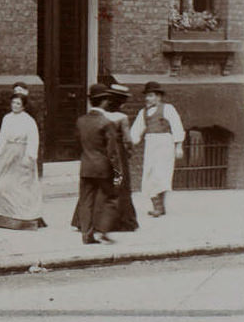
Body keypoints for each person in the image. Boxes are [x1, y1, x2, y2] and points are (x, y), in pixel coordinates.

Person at [74, 83, 123, 245]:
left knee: (86, 201)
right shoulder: (107, 123)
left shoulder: (81, 121)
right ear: (104, 101)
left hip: (86, 166)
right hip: (103, 168)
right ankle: (102, 230)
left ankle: (86, 235)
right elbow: (112, 152)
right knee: (112, 197)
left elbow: (77, 143)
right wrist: (118, 172)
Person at [0, 85, 46, 230]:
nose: (15, 106)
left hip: (22, 154)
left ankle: (24, 218)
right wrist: (0, 152)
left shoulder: (28, 121)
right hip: (7, 154)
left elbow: (33, 139)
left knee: (21, 187)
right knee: (2, 185)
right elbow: (2, 135)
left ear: (23, 107)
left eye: (18, 104)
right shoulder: (7, 118)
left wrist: (30, 156)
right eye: (13, 103)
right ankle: (4, 217)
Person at [129, 81, 186, 217]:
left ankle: (160, 207)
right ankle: (158, 206)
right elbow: (136, 130)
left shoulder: (168, 109)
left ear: (158, 97)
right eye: (147, 96)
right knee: (149, 173)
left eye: (151, 96)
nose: (147, 99)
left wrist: (179, 146)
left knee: (161, 174)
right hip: (151, 143)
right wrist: (130, 144)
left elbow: (177, 126)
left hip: (165, 143)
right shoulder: (143, 112)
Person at [98, 73, 138, 232]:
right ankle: (122, 220)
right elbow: (128, 140)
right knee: (121, 184)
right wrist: (129, 151)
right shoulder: (122, 118)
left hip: (103, 152)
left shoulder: (103, 115)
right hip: (118, 153)